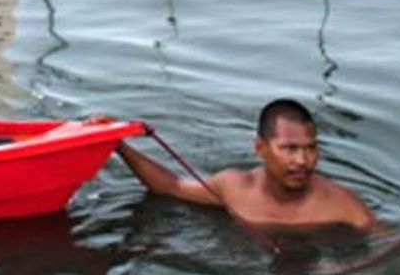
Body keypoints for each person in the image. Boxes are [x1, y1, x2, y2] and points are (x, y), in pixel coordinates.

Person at [90, 99, 377, 231]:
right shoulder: (233, 186)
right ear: (260, 149)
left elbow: (387, 242)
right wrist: (119, 144)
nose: (302, 161)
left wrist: (346, 269)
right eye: (289, 149)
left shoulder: (341, 204)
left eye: (310, 149)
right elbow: (170, 186)